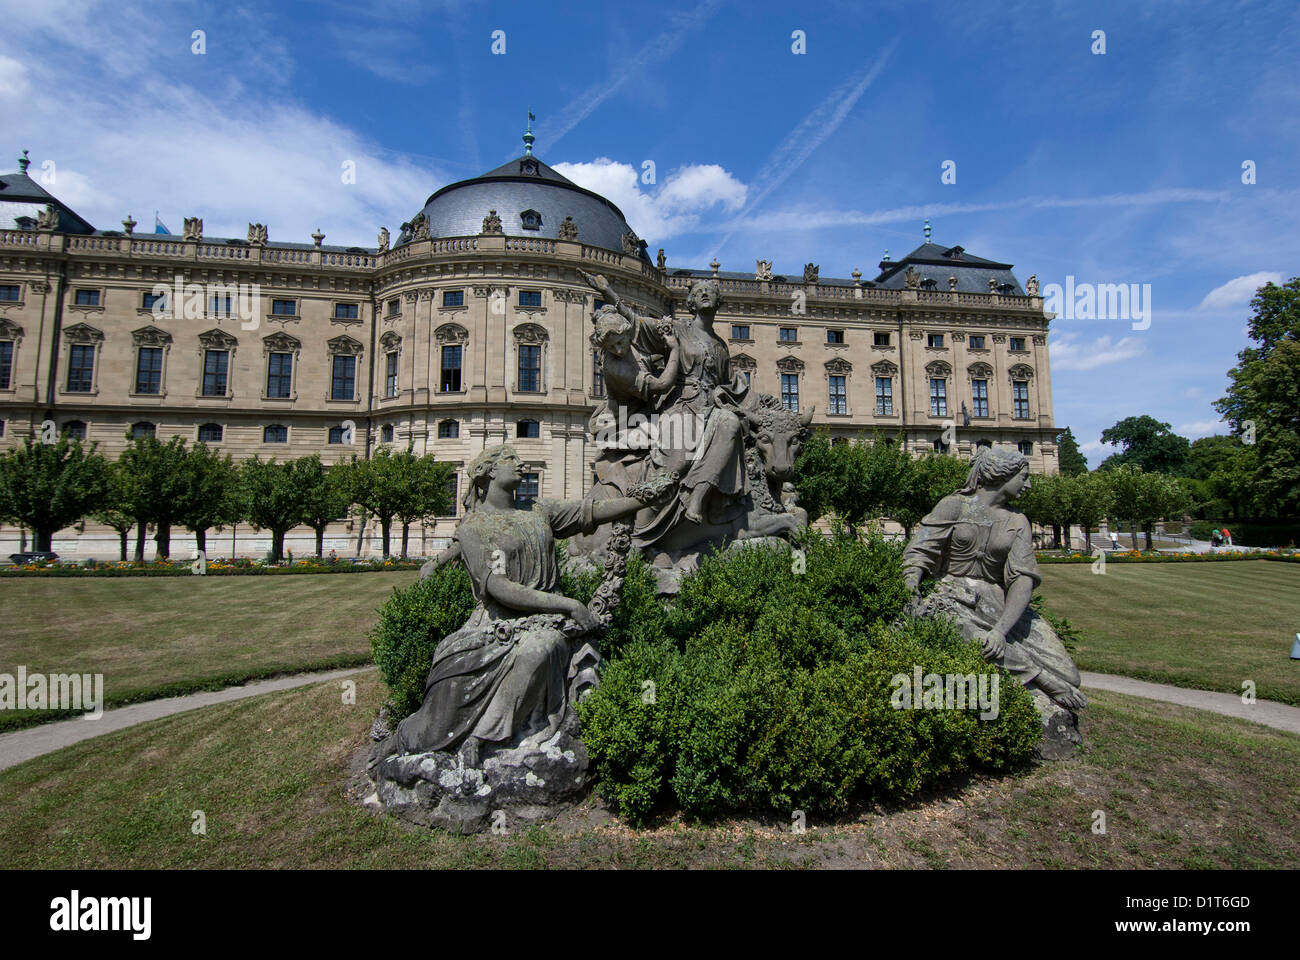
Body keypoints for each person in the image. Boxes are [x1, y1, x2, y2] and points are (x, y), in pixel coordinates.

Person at [394, 445, 670, 765]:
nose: (521, 463)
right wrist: (567, 604)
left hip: (546, 623)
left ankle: (483, 738)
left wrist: (642, 500)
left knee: (541, 646)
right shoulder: (471, 530)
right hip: (495, 623)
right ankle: (409, 738)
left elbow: (591, 511)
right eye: (511, 459)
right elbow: (498, 587)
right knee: (441, 708)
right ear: (490, 471)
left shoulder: (539, 510)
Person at [902, 446, 1086, 711]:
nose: (1029, 485)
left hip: (996, 600)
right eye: (1024, 477)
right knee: (967, 633)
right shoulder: (954, 505)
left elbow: (1022, 579)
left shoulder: (1018, 520)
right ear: (1003, 474)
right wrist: (911, 584)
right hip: (952, 596)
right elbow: (919, 550)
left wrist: (1001, 629)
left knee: (1070, 675)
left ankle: (1036, 670)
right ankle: (1039, 677)